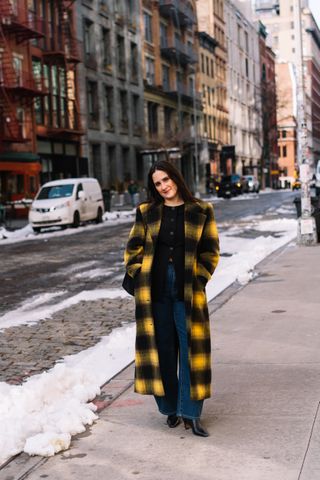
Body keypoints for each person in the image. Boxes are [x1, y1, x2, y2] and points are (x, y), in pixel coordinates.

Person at [124, 160, 220, 437]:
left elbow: (210, 251)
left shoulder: (201, 210)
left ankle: (191, 414)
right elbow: (133, 250)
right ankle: (170, 409)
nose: (164, 186)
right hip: (155, 292)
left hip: (188, 291)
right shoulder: (146, 212)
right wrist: (138, 273)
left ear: (176, 178)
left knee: (192, 353)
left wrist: (199, 279)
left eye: (167, 179)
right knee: (162, 352)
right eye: (158, 183)